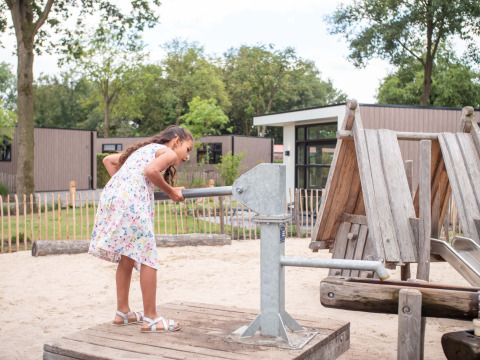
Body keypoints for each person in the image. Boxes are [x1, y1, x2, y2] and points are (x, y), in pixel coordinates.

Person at [89, 125, 194, 333]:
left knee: (127, 256)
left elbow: (108, 161)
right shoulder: (168, 152)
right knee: (147, 256)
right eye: (188, 149)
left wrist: (124, 185)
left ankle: (123, 312)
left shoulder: (141, 151)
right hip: (130, 203)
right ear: (176, 141)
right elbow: (151, 171)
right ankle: (151, 318)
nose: (187, 157)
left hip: (112, 198)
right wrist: (171, 191)